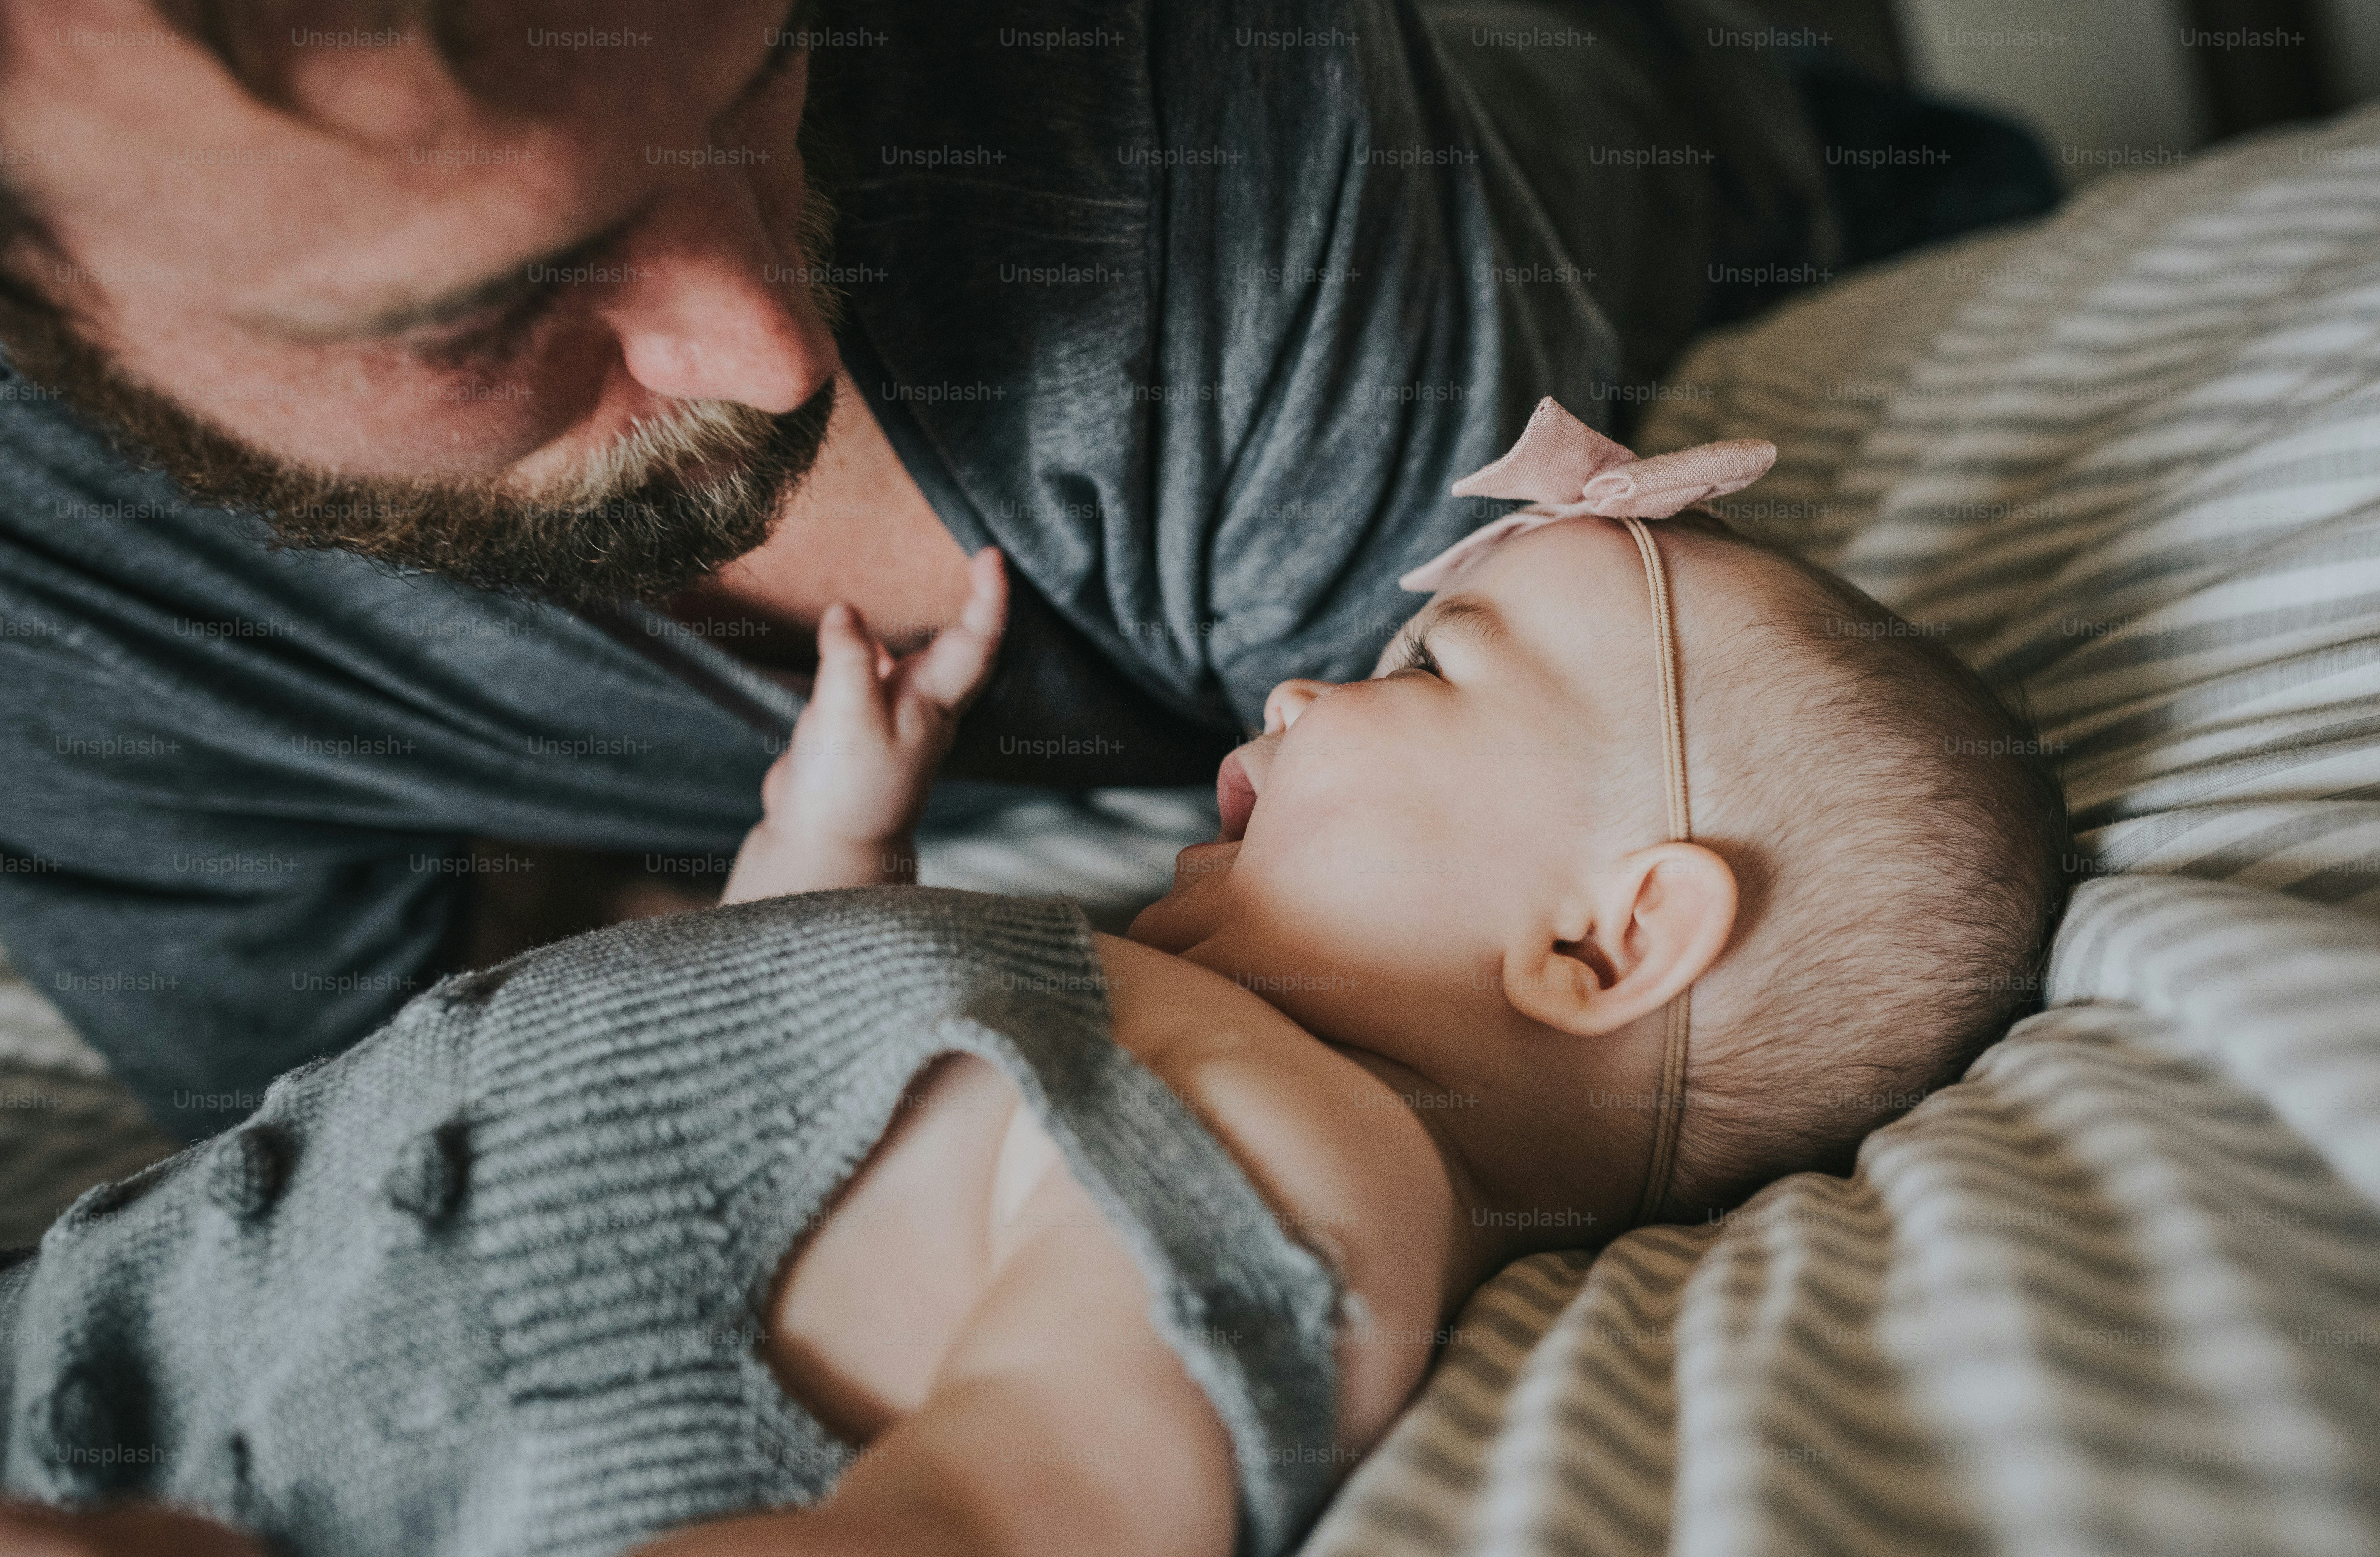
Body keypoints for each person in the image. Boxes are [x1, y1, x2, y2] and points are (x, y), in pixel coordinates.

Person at [0, 406, 2071, 1557]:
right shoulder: (1115, 1006)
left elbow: (980, 1533)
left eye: (1427, 673)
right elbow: (782, 1063)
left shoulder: (1297, 1163)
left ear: (1601, 943)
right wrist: (831, 842)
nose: (1295, 685)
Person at [0, 0, 1860, 1137]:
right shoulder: (58, 627)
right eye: (483, 307)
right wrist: (815, 877)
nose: (772, 354)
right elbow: (396, 1185)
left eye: (764, 76)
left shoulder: (1165, 98)